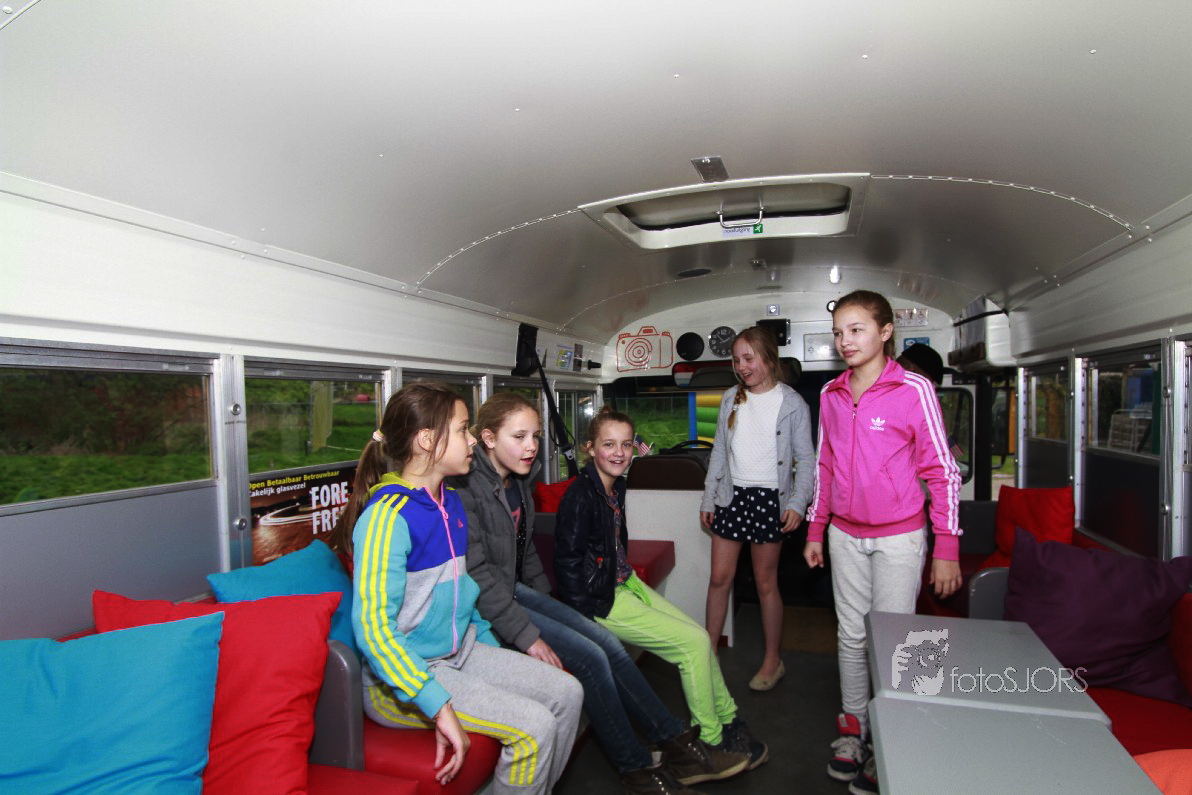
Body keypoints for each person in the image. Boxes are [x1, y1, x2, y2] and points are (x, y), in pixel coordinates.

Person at [453, 394, 748, 794]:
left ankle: (675, 741)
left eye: (536, 437)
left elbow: (526, 555)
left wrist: (553, 606)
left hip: (519, 591)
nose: (531, 447)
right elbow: (481, 576)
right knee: (592, 658)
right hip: (495, 601)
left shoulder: (518, 482)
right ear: (488, 438)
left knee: (607, 645)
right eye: (519, 437)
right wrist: (528, 634)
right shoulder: (467, 488)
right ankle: (637, 765)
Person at [328, 383, 583, 795]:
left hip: (460, 651)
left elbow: (464, 594)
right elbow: (374, 632)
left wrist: (500, 659)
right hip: (405, 678)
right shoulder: (386, 519)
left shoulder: (449, 504)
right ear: (427, 440)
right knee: (533, 728)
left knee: (568, 692)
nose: (472, 440)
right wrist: (436, 703)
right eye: (464, 430)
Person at [803, 291, 963, 795]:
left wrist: (947, 547)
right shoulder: (830, 394)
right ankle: (855, 730)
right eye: (838, 332)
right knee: (851, 636)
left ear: (885, 331)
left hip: (899, 537)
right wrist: (815, 529)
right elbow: (824, 466)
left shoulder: (914, 389)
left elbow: (942, 472)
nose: (845, 341)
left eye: (856, 330)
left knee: (897, 641)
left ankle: (894, 735)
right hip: (844, 534)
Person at [553, 406, 768, 774]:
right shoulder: (579, 496)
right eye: (609, 444)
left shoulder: (617, 486)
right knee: (694, 645)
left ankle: (728, 718)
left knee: (699, 636)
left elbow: (612, 545)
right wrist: (584, 618)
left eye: (626, 444)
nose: (619, 453)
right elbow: (567, 562)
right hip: (602, 601)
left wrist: (624, 578)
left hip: (625, 583)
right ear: (590, 448)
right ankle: (709, 742)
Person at [699, 326, 815, 691]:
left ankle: (772, 660)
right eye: (736, 360)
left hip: (769, 500)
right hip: (731, 497)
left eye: (748, 358)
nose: (741, 367)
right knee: (719, 578)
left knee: (766, 583)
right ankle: (708, 656)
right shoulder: (730, 399)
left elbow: (806, 460)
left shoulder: (793, 404)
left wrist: (797, 502)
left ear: (768, 358)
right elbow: (719, 451)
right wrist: (708, 497)